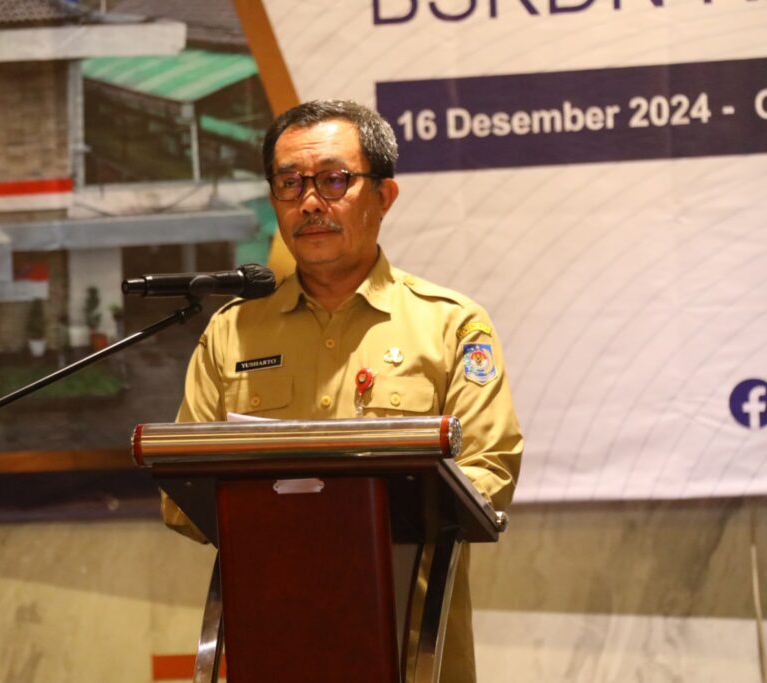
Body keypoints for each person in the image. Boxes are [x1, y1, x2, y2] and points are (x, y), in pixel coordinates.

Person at [164, 99, 523, 682]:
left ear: (384, 195)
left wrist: (366, 512)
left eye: (334, 180)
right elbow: (182, 492)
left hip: (411, 645)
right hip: (273, 638)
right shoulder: (232, 331)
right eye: (290, 183)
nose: (310, 202)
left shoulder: (452, 325)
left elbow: (489, 470)